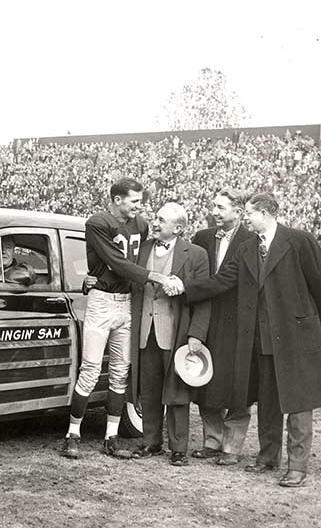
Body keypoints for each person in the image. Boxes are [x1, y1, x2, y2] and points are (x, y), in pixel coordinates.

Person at [167, 192, 321, 487]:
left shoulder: (299, 241)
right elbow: (221, 281)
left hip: (296, 337)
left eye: (252, 214)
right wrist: (185, 288)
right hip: (261, 340)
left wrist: (308, 321)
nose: (248, 218)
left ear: (267, 214)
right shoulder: (247, 249)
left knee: (298, 403)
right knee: (268, 401)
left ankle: (297, 466)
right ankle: (268, 457)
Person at [60, 178, 175, 459]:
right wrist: (156, 276)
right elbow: (118, 263)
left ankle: (110, 436)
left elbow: (145, 253)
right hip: (102, 300)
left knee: (120, 372)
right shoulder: (98, 223)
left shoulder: (141, 225)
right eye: (134, 201)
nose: (139, 206)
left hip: (126, 302)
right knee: (89, 369)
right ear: (117, 200)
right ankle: (72, 434)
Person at [129, 202, 211, 466]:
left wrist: (196, 335)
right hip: (145, 331)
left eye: (161, 220)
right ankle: (150, 442)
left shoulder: (196, 254)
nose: (155, 222)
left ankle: (178, 448)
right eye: (156, 217)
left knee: (176, 391)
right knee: (149, 389)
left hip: (176, 333)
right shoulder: (142, 250)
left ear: (178, 228)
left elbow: (203, 299)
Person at [189, 189, 257, 465]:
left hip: (240, 324)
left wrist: (186, 289)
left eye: (221, 207)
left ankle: (232, 446)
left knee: (239, 386)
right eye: (213, 206)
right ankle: (212, 441)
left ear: (238, 211)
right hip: (207, 318)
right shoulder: (202, 238)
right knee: (206, 380)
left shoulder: (252, 241)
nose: (215, 212)